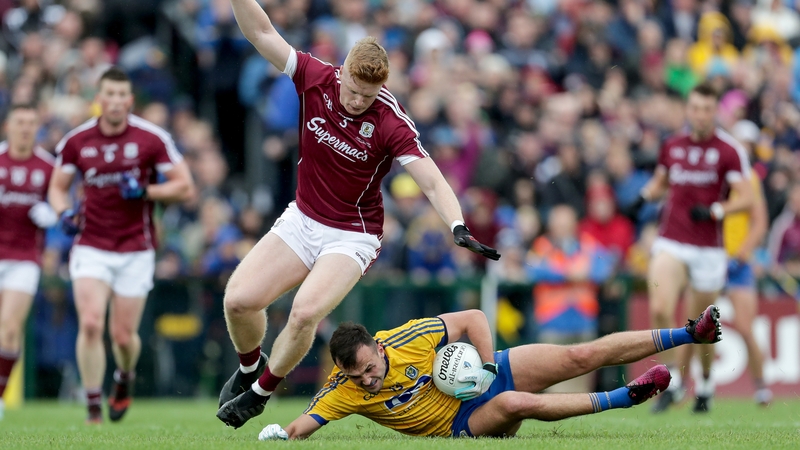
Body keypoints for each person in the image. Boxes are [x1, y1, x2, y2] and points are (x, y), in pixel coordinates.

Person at [216, 0, 500, 429]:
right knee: (238, 302)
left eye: (367, 95)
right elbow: (261, 33)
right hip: (303, 218)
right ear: (343, 71)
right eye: (352, 89)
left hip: (352, 234)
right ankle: (250, 367)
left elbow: (432, 181)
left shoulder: (389, 119)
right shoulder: (315, 76)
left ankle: (260, 393)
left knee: (304, 312)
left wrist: (457, 225)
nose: (356, 101)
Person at [257, 306, 722, 440]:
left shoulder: (406, 337)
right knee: (515, 403)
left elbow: (475, 318)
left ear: (379, 348)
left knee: (579, 356)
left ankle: (690, 333)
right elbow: (301, 426)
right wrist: (278, 434)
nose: (367, 381)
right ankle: (625, 398)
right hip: (462, 421)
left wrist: (486, 366)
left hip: (488, 371)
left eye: (369, 370)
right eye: (356, 377)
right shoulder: (344, 390)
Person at [47, 67, 195, 424]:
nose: (114, 101)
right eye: (108, 95)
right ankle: (92, 406)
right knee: (91, 323)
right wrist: (63, 212)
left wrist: (146, 191)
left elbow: (185, 187)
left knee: (124, 337)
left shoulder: (152, 138)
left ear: (130, 101)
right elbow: (56, 188)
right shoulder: (76, 140)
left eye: (121, 95)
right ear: (98, 99)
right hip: (91, 244)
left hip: (135, 248)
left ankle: (124, 377)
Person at [628, 82, 754, 413]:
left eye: (707, 109)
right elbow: (661, 182)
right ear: (688, 110)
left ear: (715, 112)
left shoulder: (729, 151)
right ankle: (671, 380)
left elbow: (747, 198)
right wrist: (643, 197)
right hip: (672, 239)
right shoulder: (672, 145)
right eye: (695, 108)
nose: (700, 115)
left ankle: (707, 383)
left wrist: (716, 210)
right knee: (660, 306)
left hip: (709, 249)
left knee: (701, 325)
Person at [678, 128, 772, 409]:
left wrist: (742, 254)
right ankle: (679, 386)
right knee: (692, 326)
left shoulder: (750, 179)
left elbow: (759, 223)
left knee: (745, 326)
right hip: (709, 257)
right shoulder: (710, 174)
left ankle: (761, 387)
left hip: (736, 262)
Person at [0, 104, 58, 420]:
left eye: (31, 123)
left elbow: (64, 204)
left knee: (10, 327)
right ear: (8, 126)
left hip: (24, 258)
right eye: (19, 122)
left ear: (37, 128)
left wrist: (53, 213)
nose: (25, 128)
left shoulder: (48, 166)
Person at [527, 204, 616, 393]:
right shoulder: (542, 246)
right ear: (551, 226)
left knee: (583, 377)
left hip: (583, 319)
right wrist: (568, 274)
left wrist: (587, 274)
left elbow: (605, 267)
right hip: (552, 321)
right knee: (553, 379)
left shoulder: (588, 245)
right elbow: (532, 270)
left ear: (575, 224)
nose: (563, 228)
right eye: (559, 224)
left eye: (566, 224)